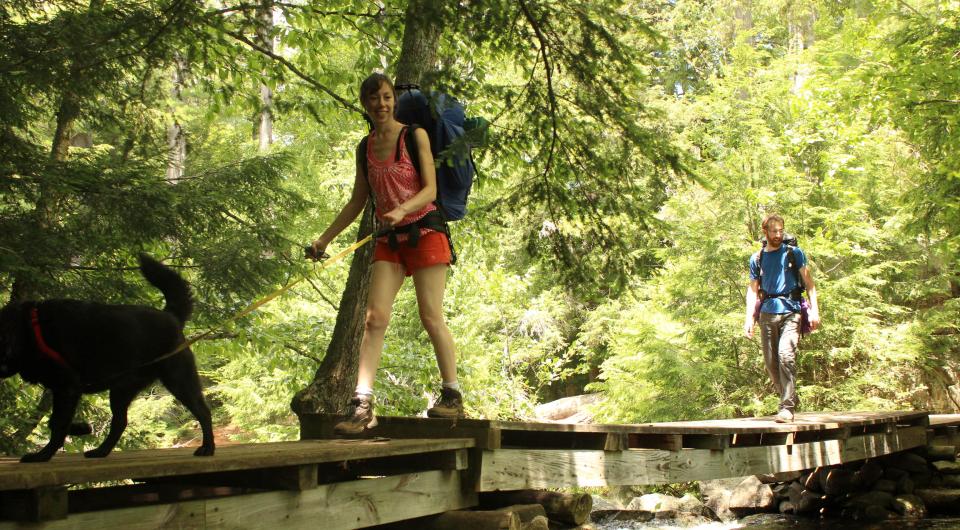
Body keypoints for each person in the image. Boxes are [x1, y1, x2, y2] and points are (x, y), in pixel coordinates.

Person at [310, 73, 464, 434]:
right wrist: (324, 239)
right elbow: (357, 201)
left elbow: (429, 190)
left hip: (425, 231)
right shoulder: (364, 148)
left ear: (394, 100)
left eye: (386, 97)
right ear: (365, 105)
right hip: (390, 240)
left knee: (430, 316)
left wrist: (401, 208)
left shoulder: (415, 136)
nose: (381, 104)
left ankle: (452, 396)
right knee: (374, 318)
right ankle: (362, 406)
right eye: (373, 99)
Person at [743, 214, 820, 423]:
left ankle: (787, 407)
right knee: (771, 362)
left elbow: (810, 284)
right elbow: (752, 291)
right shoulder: (757, 258)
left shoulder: (794, 254)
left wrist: (814, 311)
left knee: (786, 355)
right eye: (774, 231)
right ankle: (789, 395)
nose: (778, 235)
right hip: (767, 313)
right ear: (765, 232)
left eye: (780, 231)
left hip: (791, 311)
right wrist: (749, 318)